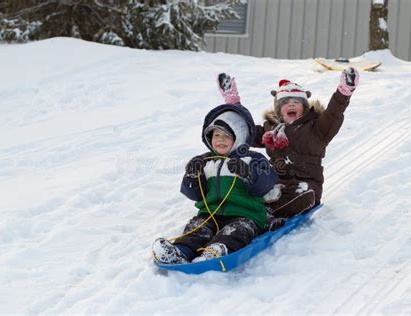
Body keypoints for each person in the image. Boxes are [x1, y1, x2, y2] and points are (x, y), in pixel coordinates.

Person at [217, 68, 360, 219]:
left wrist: (343, 92)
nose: (291, 105)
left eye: (296, 102)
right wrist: (233, 102)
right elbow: (245, 131)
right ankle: (239, 206)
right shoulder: (270, 129)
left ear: (304, 108)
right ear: (279, 110)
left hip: (304, 187)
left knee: (305, 196)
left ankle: (263, 213)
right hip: (273, 185)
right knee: (247, 179)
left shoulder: (317, 128)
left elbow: (334, 114)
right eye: (285, 102)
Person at [152, 103, 278, 264]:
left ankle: (216, 251)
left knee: (236, 232)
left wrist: (248, 174)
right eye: (216, 135)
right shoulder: (205, 161)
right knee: (197, 228)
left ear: (239, 136)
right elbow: (195, 194)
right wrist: (192, 176)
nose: (220, 140)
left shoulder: (252, 159)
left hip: (246, 215)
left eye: (226, 136)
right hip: (210, 214)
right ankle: (180, 252)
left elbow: (266, 185)